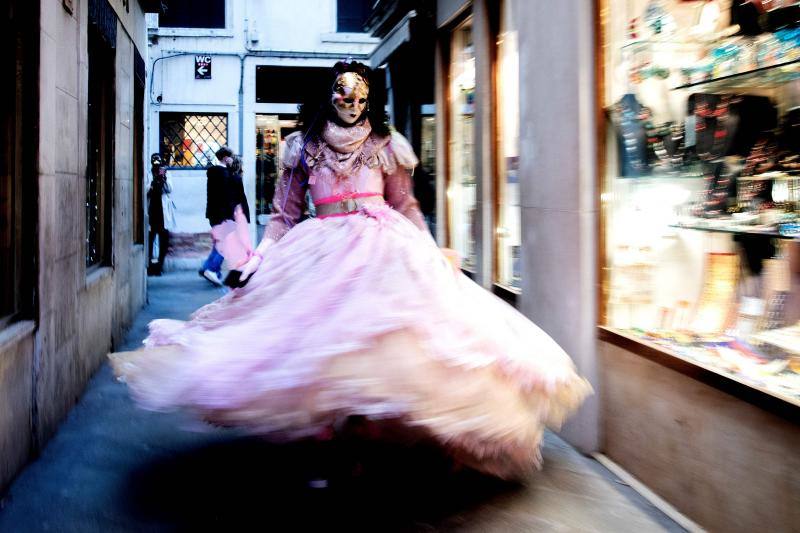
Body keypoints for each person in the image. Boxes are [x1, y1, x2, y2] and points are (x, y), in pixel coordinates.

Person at [110, 61, 590, 482]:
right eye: (343, 92)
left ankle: (373, 439)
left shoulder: (388, 145)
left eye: (361, 95)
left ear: (370, 99)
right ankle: (332, 442)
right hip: (321, 251)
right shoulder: (302, 147)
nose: (351, 102)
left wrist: (429, 252)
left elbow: (406, 206)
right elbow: (283, 214)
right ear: (328, 94)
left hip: (387, 251)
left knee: (399, 344)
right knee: (321, 347)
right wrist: (260, 258)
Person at [199, 147, 250, 286]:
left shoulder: (214, 172)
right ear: (226, 158)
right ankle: (211, 269)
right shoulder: (225, 175)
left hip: (214, 214)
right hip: (222, 215)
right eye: (231, 157)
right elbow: (226, 198)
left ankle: (207, 268)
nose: (232, 159)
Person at [146, 154, 173, 276]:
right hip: (152, 210)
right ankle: (150, 265)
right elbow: (146, 189)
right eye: (154, 161)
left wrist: (164, 178)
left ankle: (160, 266)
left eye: (158, 161)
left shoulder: (165, 173)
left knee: (164, 240)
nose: (156, 164)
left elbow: (170, 189)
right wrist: (153, 182)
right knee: (150, 239)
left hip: (163, 212)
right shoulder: (148, 173)